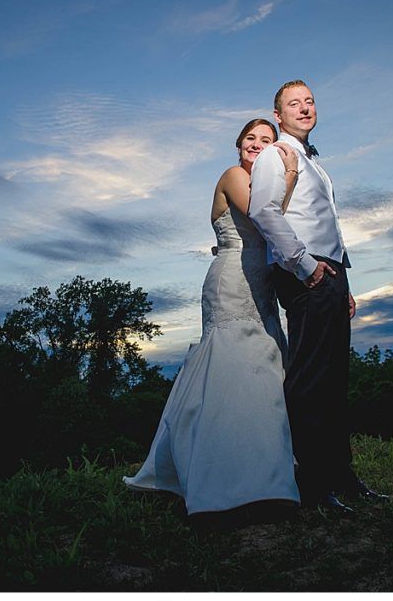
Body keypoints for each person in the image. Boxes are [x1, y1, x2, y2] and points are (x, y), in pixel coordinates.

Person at [124, 119, 302, 515]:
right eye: (251, 139)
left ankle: (268, 471)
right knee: (235, 367)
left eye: (268, 141)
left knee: (266, 370)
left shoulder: (263, 181)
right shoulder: (234, 176)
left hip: (262, 287)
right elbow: (264, 216)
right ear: (238, 145)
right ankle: (223, 477)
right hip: (231, 283)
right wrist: (290, 172)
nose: (258, 145)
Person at [248, 79, 388, 513]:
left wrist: (342, 279)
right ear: (279, 114)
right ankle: (311, 487)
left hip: (332, 272)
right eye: (294, 103)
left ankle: (341, 476)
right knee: (310, 381)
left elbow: (327, 222)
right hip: (305, 273)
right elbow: (262, 211)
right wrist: (306, 267)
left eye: (309, 101)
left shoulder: (315, 162)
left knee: (335, 380)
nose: (305, 108)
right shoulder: (275, 155)